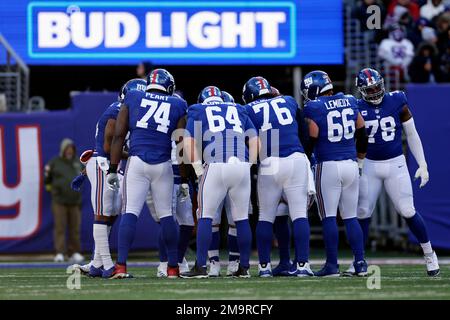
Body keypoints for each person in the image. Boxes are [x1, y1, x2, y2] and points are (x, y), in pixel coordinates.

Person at [354, 67, 440, 277]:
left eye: (376, 88)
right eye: (370, 89)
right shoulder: (355, 107)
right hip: (369, 165)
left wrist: (423, 163)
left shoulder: (397, 100)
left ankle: (429, 254)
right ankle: (359, 260)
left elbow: (412, 134)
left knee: (407, 210)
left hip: (395, 163)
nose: (374, 92)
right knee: (363, 212)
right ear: (361, 90)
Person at [107, 69, 187, 279]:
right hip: (163, 165)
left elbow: (118, 135)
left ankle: (121, 266)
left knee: (130, 213)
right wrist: (185, 180)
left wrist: (113, 169)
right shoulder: (177, 103)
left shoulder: (133, 96)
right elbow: (181, 144)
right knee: (167, 216)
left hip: (137, 161)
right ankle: (172, 268)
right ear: (168, 86)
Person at [180, 86, 259, 278]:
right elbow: (256, 140)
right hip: (241, 163)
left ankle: (201, 266)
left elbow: (187, 141)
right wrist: (249, 165)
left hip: (216, 164)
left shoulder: (197, 110)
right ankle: (244, 267)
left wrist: (199, 170)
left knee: (206, 216)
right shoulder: (238, 109)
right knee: (241, 218)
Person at [243, 76, 314, 278]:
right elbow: (304, 133)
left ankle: (264, 267)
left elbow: (249, 141)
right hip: (296, 158)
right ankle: (302, 265)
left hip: (269, 162)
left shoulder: (247, 109)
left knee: (266, 216)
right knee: (299, 214)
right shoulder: (289, 101)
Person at [301, 70, 369, 277]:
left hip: (328, 165)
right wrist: (359, 160)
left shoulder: (313, 106)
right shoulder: (350, 100)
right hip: (350, 163)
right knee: (350, 217)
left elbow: (313, 137)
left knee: (328, 216)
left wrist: (305, 159)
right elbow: (362, 132)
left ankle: (332, 265)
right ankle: (360, 263)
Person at [44, 138, 84, 263]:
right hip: (59, 201)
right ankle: (60, 252)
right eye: (67, 149)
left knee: (75, 228)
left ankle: (74, 252)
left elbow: (83, 177)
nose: (69, 151)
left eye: (71, 149)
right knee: (60, 227)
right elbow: (47, 179)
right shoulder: (55, 163)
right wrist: (54, 191)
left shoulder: (78, 162)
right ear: (63, 150)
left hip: (75, 201)